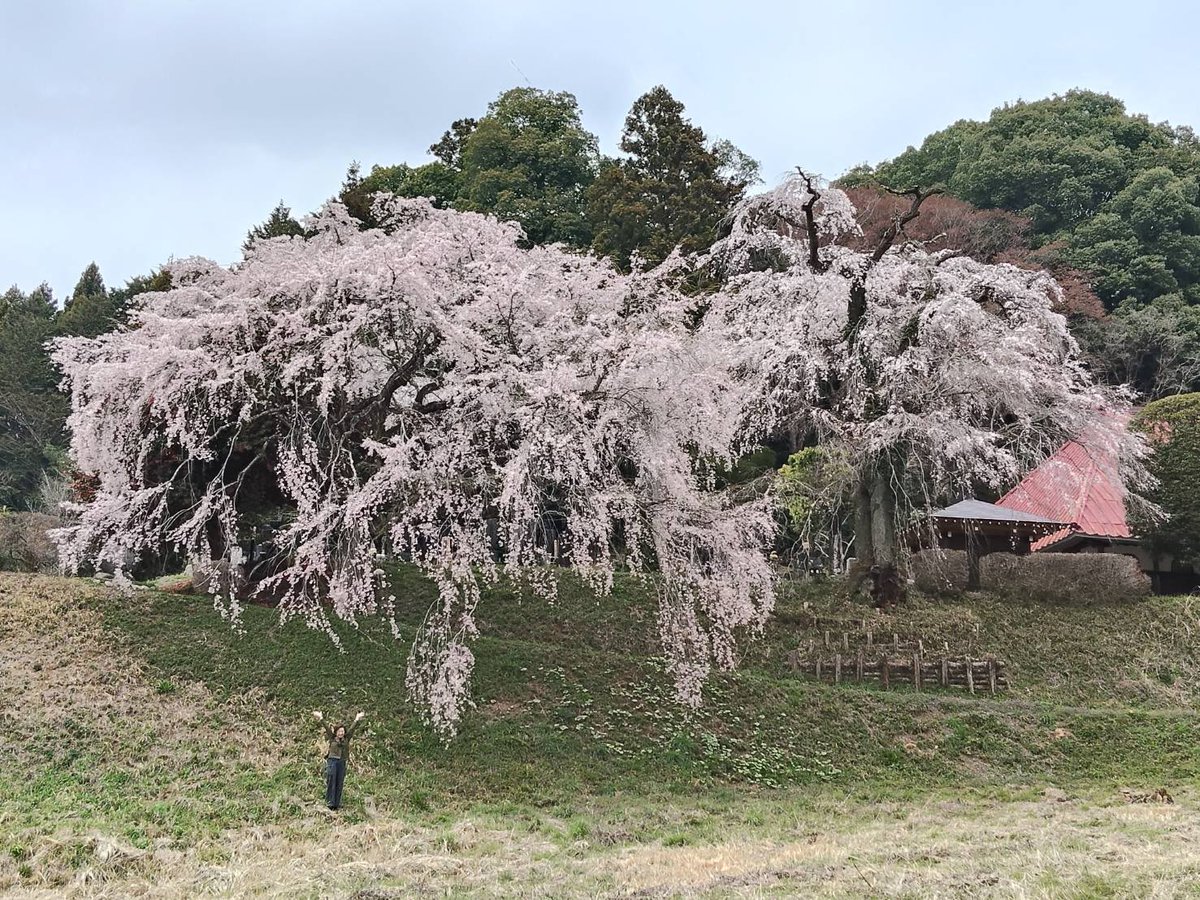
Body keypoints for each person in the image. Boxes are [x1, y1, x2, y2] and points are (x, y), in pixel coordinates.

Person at [312, 709, 365, 810]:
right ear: (336, 732)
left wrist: (357, 719)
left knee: (340, 781)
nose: (341, 733)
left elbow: (352, 729)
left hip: (342, 761)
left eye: (342, 731)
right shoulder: (332, 738)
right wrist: (321, 718)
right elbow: (326, 727)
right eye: (339, 731)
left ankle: (337, 803)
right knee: (332, 780)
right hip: (332, 761)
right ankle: (330, 802)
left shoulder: (346, 739)